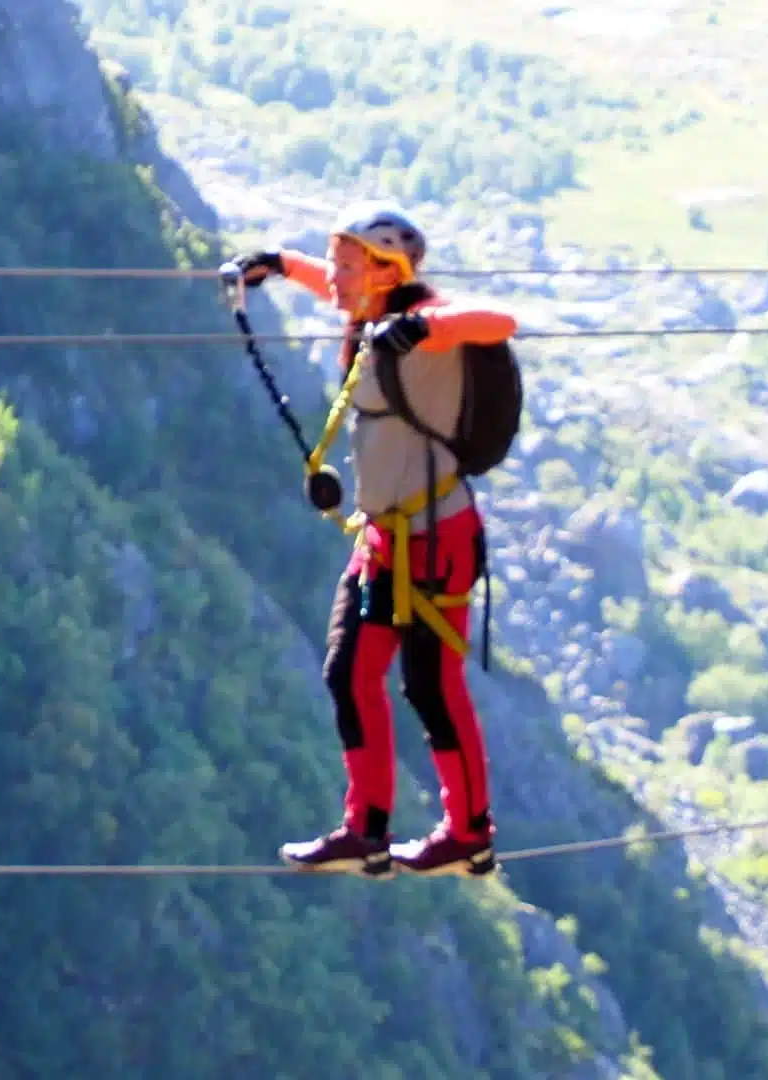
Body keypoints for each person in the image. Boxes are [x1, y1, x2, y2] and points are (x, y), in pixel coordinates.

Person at [229, 200, 519, 878]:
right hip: (386, 542)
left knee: (430, 685)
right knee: (349, 673)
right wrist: (277, 265)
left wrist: (418, 326)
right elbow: (330, 289)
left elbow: (499, 322)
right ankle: (367, 830)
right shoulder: (367, 321)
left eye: (348, 264)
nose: (335, 275)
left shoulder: (418, 331)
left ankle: (469, 831)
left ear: (387, 273)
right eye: (334, 262)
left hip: (434, 538)